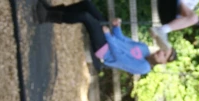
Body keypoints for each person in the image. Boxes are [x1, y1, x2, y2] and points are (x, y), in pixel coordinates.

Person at [36, 0, 175, 76]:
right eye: (163, 50)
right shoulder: (144, 48)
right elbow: (123, 40)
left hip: (105, 51)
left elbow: (120, 57)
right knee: (87, 5)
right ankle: (52, 10)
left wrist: (108, 35)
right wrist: (116, 28)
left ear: (163, 62)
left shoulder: (144, 67)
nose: (160, 52)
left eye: (164, 55)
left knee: (86, 17)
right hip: (109, 40)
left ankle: (48, 17)